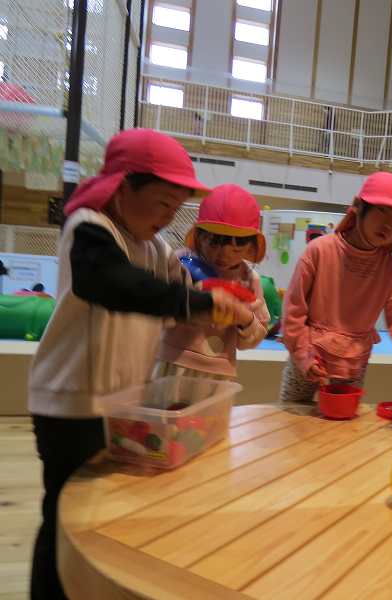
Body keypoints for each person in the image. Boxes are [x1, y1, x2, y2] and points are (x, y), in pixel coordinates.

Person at [26, 128, 251, 600]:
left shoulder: (156, 248)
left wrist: (223, 300)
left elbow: (183, 291)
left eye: (176, 209)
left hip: (121, 404)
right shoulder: (89, 227)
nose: (167, 217)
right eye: (162, 204)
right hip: (70, 404)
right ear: (122, 187)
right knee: (64, 516)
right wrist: (198, 304)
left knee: (102, 512)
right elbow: (112, 283)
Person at [280, 171, 392, 403]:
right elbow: (293, 312)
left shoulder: (391, 270)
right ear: (359, 207)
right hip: (309, 358)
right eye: (382, 210)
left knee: (344, 421)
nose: (388, 224)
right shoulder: (319, 250)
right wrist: (304, 355)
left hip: (353, 364)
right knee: (293, 418)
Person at [155, 184, 269, 379]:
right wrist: (195, 299)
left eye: (236, 248)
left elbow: (251, 340)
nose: (224, 255)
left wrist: (246, 319)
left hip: (220, 370)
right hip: (174, 361)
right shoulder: (181, 263)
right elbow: (157, 312)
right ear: (199, 237)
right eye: (213, 244)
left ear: (251, 247)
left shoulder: (249, 280)